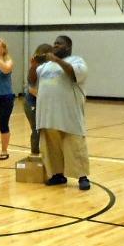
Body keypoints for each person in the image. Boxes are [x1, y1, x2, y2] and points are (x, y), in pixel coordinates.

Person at [28, 35, 91, 190]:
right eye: (54, 43)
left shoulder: (77, 61)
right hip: (48, 116)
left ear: (68, 47)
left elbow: (73, 74)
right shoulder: (45, 66)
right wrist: (33, 66)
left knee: (74, 145)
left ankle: (82, 176)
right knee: (51, 148)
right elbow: (32, 81)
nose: (55, 45)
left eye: (59, 44)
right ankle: (57, 175)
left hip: (68, 115)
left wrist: (56, 60)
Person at [24, 44, 52, 156]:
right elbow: (32, 89)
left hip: (45, 103)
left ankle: (48, 154)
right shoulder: (35, 68)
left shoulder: (52, 68)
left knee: (48, 130)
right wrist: (33, 65)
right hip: (32, 102)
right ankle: (35, 155)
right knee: (36, 129)